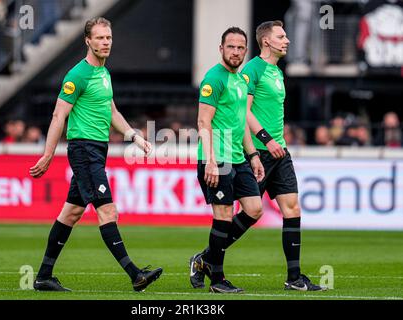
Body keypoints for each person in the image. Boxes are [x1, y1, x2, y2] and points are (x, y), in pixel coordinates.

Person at [29, 17, 162, 292]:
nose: (105, 43)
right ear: (87, 41)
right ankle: (135, 274)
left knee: (71, 213)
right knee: (108, 210)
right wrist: (48, 154)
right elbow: (58, 115)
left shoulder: (104, 73)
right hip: (84, 150)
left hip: (97, 150)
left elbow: (113, 112)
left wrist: (135, 136)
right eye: (100, 38)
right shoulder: (78, 74)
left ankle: (43, 276)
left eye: (109, 38)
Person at [240, 20, 326, 291]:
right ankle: (207, 257)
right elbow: (243, 110)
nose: (287, 40)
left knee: (292, 209)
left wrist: (279, 139)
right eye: (281, 36)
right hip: (258, 152)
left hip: (280, 152)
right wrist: (265, 139)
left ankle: (294, 278)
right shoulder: (253, 68)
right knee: (251, 213)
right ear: (266, 41)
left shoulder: (277, 71)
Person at [189, 27, 265, 294]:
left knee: (255, 209)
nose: (236, 52)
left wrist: (253, 155)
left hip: (238, 157)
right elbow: (203, 121)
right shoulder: (214, 78)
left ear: (246, 50)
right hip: (217, 157)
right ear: (221, 49)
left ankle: (205, 259)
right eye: (230, 47)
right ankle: (217, 280)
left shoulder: (241, 81)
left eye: (240, 47)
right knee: (223, 216)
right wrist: (210, 160)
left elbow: (241, 122)